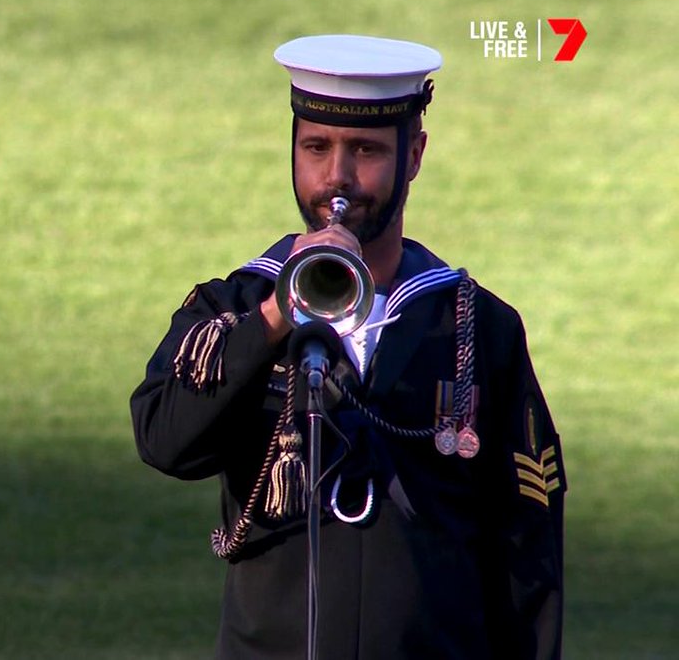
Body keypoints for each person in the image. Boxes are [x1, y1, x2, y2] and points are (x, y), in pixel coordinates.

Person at [130, 35, 565, 659]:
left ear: (412, 154)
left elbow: (528, 555)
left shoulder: (478, 325)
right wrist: (277, 315)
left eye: (365, 150)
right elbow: (164, 441)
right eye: (316, 148)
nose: (337, 177)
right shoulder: (232, 308)